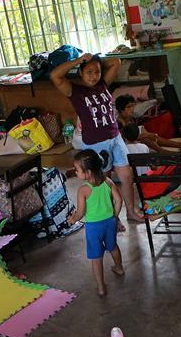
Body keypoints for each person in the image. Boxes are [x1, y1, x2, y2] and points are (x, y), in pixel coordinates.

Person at [51, 53, 143, 222]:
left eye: (97, 72)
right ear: (81, 73)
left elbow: (116, 62)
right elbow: (55, 75)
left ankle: (130, 211)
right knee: (104, 183)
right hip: (96, 144)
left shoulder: (103, 84)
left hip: (115, 137)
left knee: (127, 176)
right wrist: (79, 61)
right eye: (89, 72)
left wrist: (95, 61)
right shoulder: (74, 91)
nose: (94, 76)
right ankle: (110, 218)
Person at [67, 149, 125, 296]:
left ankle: (101, 287)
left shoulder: (83, 190)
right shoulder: (108, 181)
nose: (75, 172)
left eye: (77, 169)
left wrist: (72, 219)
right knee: (113, 247)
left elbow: (80, 213)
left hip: (93, 227)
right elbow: (119, 200)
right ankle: (119, 268)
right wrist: (115, 216)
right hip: (109, 223)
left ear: (88, 172)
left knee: (96, 257)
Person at [115, 95, 181, 153]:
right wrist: (147, 135)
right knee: (145, 137)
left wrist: (148, 135)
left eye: (132, 106)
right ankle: (162, 150)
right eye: (128, 107)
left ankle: (179, 144)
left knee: (143, 130)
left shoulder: (130, 118)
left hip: (135, 139)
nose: (132, 109)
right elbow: (127, 137)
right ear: (121, 109)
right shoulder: (119, 122)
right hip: (127, 144)